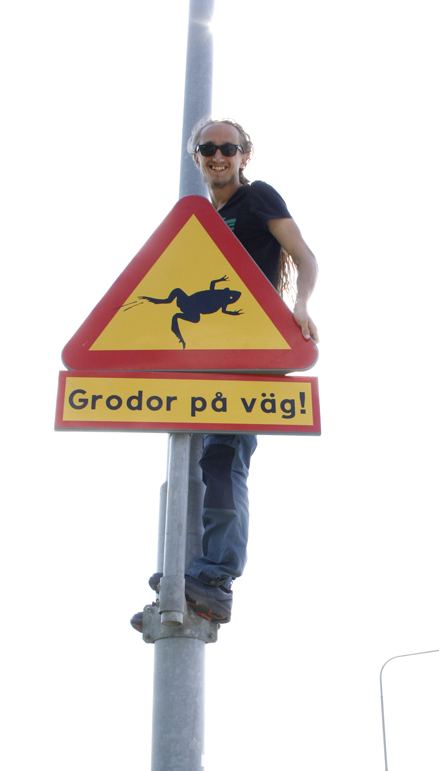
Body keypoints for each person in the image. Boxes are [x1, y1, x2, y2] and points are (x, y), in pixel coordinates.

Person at [131, 119, 318, 630]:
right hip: (209, 359)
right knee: (194, 464)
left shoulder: (258, 198)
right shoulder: (203, 220)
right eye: (208, 148)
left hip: (252, 352)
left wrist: (300, 305)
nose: (218, 156)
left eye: (228, 148)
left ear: (244, 155)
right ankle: (187, 576)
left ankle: (215, 579)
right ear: (196, 156)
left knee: (224, 458)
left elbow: (304, 256)